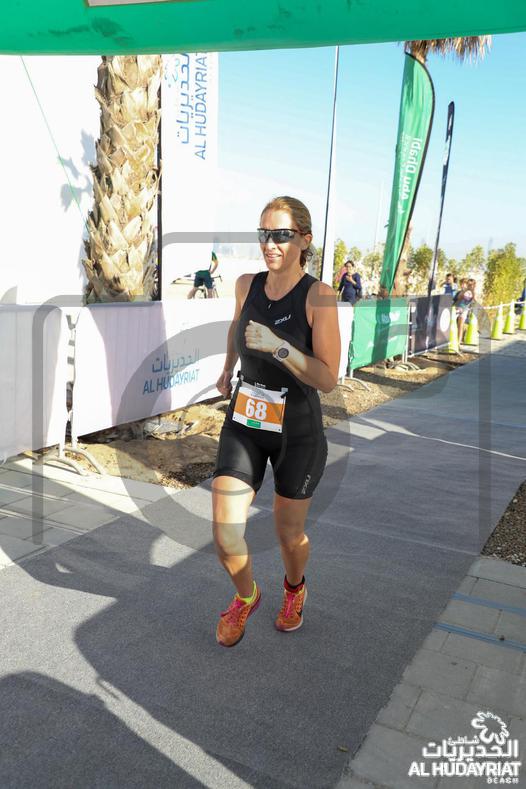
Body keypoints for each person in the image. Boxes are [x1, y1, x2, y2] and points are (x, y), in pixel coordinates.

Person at [212, 196, 341, 647]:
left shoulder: (319, 296)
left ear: (304, 239)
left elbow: (327, 379)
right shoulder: (246, 285)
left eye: (281, 235)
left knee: (289, 535)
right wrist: (227, 368)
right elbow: (236, 328)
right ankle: (246, 596)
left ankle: (294, 588)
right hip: (246, 421)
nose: (270, 243)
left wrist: (277, 346)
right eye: (264, 233)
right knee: (225, 531)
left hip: (297, 432)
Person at [454, 277, 475, 343]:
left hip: (464, 310)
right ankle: (454, 339)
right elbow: (456, 298)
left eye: (464, 284)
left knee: (460, 325)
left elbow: (468, 301)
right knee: (454, 324)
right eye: (461, 284)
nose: (462, 285)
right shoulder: (459, 292)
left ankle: (459, 341)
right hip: (456, 309)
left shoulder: (469, 292)